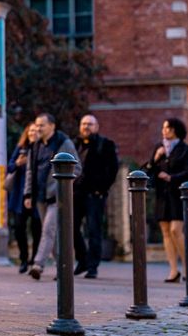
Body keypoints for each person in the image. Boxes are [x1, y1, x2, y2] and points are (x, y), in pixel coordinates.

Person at [23, 113, 78, 281]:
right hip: (39, 196)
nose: (38, 128)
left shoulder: (64, 143)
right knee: (52, 235)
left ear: (52, 126)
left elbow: (77, 168)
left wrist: (62, 187)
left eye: (42, 125)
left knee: (48, 230)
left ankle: (38, 264)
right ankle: (64, 267)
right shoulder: (35, 145)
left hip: (57, 197)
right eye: (37, 125)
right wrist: (28, 193)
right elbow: (30, 171)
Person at [143, 117, 188, 282]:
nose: (164, 131)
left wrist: (171, 177)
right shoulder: (159, 148)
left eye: (168, 128)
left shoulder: (186, 149)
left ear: (175, 130)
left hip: (177, 194)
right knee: (165, 231)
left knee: (175, 230)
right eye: (164, 128)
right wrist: (155, 158)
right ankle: (173, 271)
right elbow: (148, 170)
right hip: (162, 195)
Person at [73, 114, 118, 279]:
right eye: (83, 123)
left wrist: (101, 189)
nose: (86, 127)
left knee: (94, 230)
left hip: (95, 194)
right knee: (71, 228)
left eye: (90, 124)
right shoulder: (74, 144)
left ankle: (93, 266)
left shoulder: (105, 144)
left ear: (96, 127)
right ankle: (82, 260)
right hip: (76, 193)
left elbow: (113, 169)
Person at [7, 122, 41, 274]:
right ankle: (23, 258)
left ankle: (34, 259)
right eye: (31, 131)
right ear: (27, 133)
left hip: (37, 195)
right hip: (19, 195)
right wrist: (18, 163)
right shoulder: (21, 148)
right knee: (19, 228)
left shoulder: (43, 150)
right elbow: (9, 167)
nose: (33, 133)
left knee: (37, 229)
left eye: (36, 131)